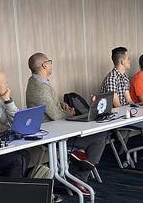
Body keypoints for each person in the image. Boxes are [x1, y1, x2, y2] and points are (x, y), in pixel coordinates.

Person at [25, 52, 108, 191]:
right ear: (44, 65)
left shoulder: (36, 81)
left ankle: (80, 157)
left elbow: (48, 102)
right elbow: (57, 116)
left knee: (96, 131)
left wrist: (60, 103)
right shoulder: (40, 88)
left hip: (57, 128)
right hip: (54, 135)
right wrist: (72, 113)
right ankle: (80, 177)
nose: (51, 64)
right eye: (49, 62)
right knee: (100, 135)